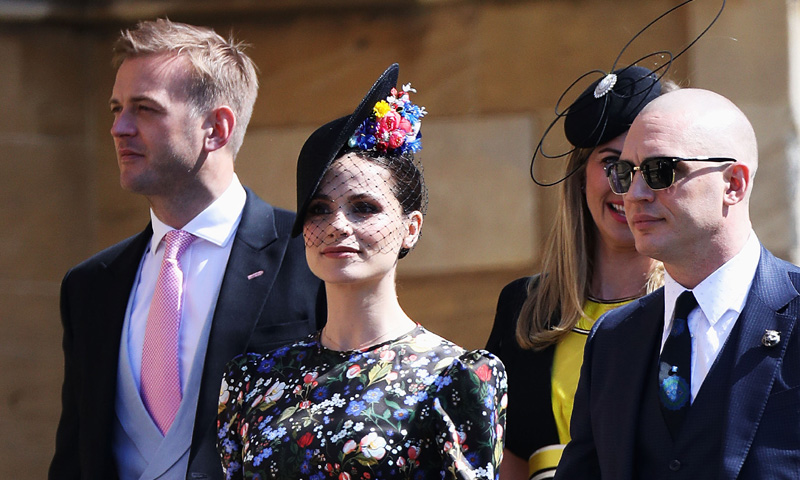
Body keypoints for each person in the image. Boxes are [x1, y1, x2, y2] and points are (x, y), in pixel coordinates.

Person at [50, 19, 324, 479]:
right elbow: (75, 458)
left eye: (144, 109)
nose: (118, 128)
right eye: (116, 108)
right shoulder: (89, 285)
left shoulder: (308, 256)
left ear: (216, 128)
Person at [216, 63, 507, 479]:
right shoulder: (252, 380)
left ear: (411, 228)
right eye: (318, 209)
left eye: (364, 207)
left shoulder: (456, 378)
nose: (337, 224)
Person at [554, 88, 800, 479]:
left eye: (660, 171)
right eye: (624, 173)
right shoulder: (614, 339)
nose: (634, 195)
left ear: (733, 184)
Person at [485, 66, 666, 480]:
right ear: (580, 178)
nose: (629, 187)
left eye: (650, 166)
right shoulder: (524, 306)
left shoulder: (696, 302)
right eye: (611, 162)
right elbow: (506, 460)